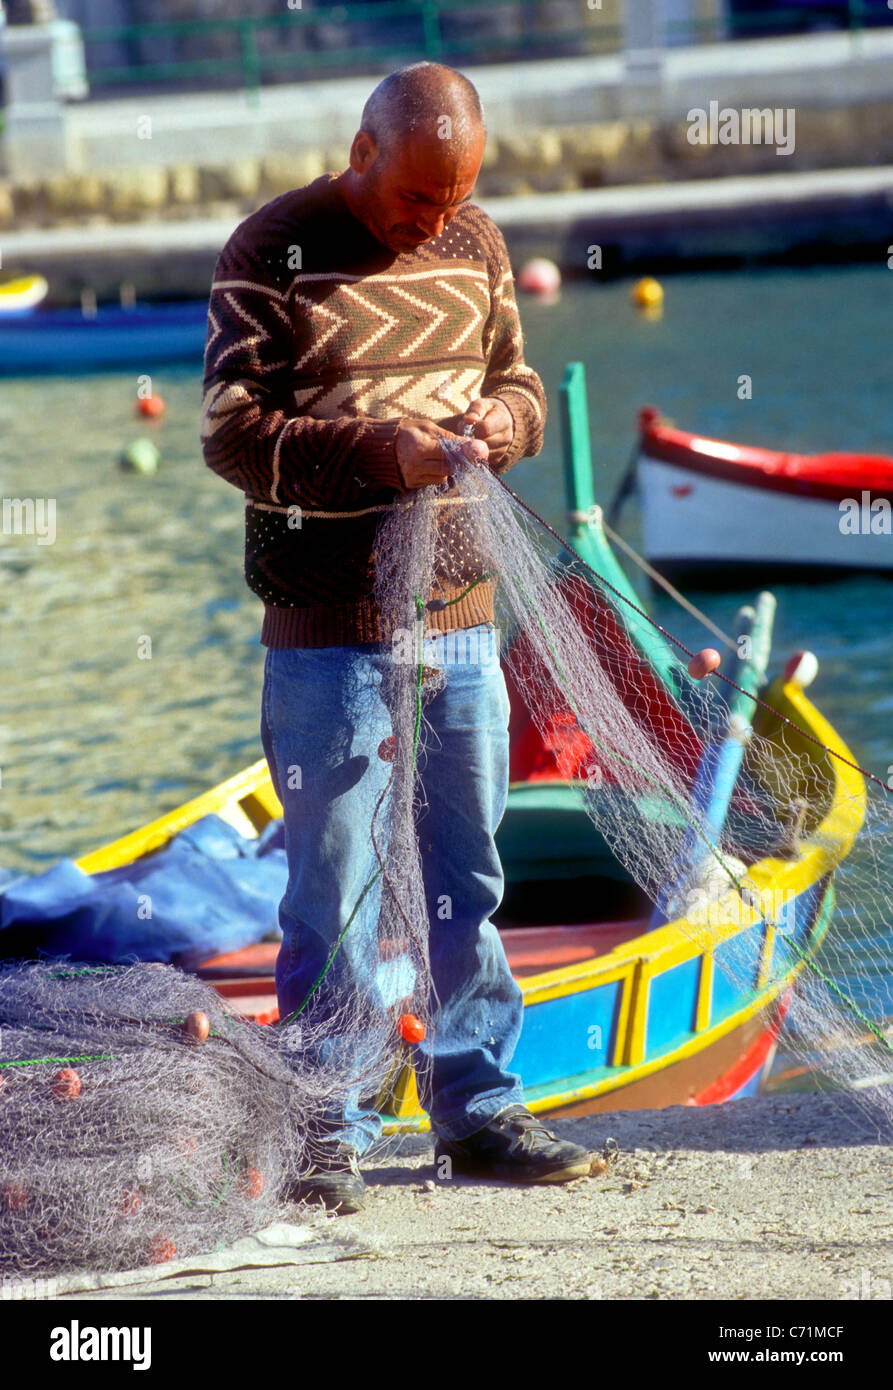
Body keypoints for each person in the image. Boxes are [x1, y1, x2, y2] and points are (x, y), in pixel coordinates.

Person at [201, 61, 597, 1213]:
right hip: (325, 631)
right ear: (361, 148)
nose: (434, 220)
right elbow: (232, 436)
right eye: (418, 197)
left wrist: (498, 422)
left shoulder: (473, 241)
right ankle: (327, 1123)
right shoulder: (268, 249)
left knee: (464, 875)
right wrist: (382, 452)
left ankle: (476, 1109)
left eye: (453, 196)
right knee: (333, 890)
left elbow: (516, 383)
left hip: (461, 622)